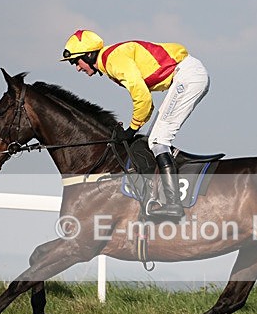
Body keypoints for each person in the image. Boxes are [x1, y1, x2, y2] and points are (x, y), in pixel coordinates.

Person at [61, 29, 209, 220]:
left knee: (157, 140)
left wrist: (131, 129)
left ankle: (173, 204)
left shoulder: (113, 61)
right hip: (185, 76)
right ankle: (167, 190)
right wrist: (135, 126)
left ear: (89, 55)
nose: (77, 68)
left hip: (187, 76)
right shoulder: (110, 60)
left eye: (76, 61)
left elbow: (142, 97)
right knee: (152, 141)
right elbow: (145, 102)